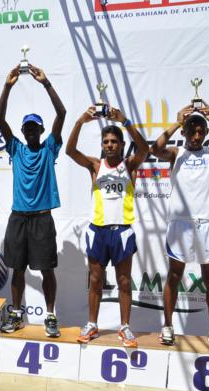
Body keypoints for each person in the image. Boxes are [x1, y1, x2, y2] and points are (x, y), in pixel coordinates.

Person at [66, 106, 149, 348]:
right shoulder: (95, 165)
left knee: (124, 281)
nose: (110, 145)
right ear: (102, 145)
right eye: (106, 142)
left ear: (122, 144)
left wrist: (125, 121)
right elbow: (70, 151)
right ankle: (92, 324)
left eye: (114, 141)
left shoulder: (129, 165)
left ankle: (125, 327)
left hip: (122, 230)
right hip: (98, 230)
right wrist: (80, 121)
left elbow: (144, 149)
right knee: (95, 279)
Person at [0, 64, 66, 337]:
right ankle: (16, 313)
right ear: (23, 132)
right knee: (17, 270)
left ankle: (50, 315)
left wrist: (46, 83)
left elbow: (62, 113)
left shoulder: (50, 148)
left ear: (42, 130)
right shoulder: (16, 148)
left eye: (35, 128)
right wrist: (7, 86)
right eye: (28, 128)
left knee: (47, 270)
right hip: (18, 218)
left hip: (42, 218)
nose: (31, 131)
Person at [151, 104, 209, 349]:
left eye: (201, 132)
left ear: (205, 133)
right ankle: (167, 326)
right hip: (181, 224)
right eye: (192, 131)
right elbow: (155, 149)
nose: (196, 136)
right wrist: (176, 122)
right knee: (174, 276)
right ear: (184, 132)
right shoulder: (176, 153)